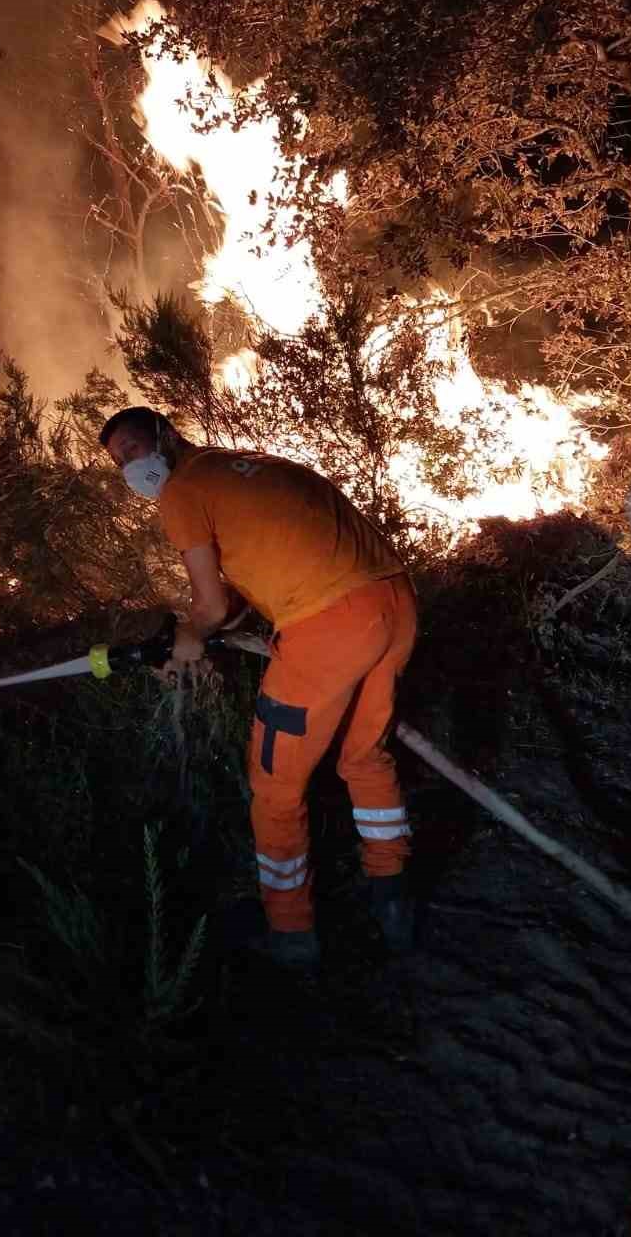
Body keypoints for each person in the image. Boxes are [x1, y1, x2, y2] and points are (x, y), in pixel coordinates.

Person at [100, 405, 418, 968]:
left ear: (166, 434)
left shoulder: (181, 490)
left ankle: (290, 932)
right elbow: (256, 579)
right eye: (119, 460)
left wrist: (188, 637)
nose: (131, 466)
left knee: (274, 789)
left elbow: (210, 605)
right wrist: (234, 624)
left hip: (329, 625)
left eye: (132, 448)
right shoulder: (249, 464)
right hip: (394, 602)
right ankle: (393, 900)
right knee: (365, 757)